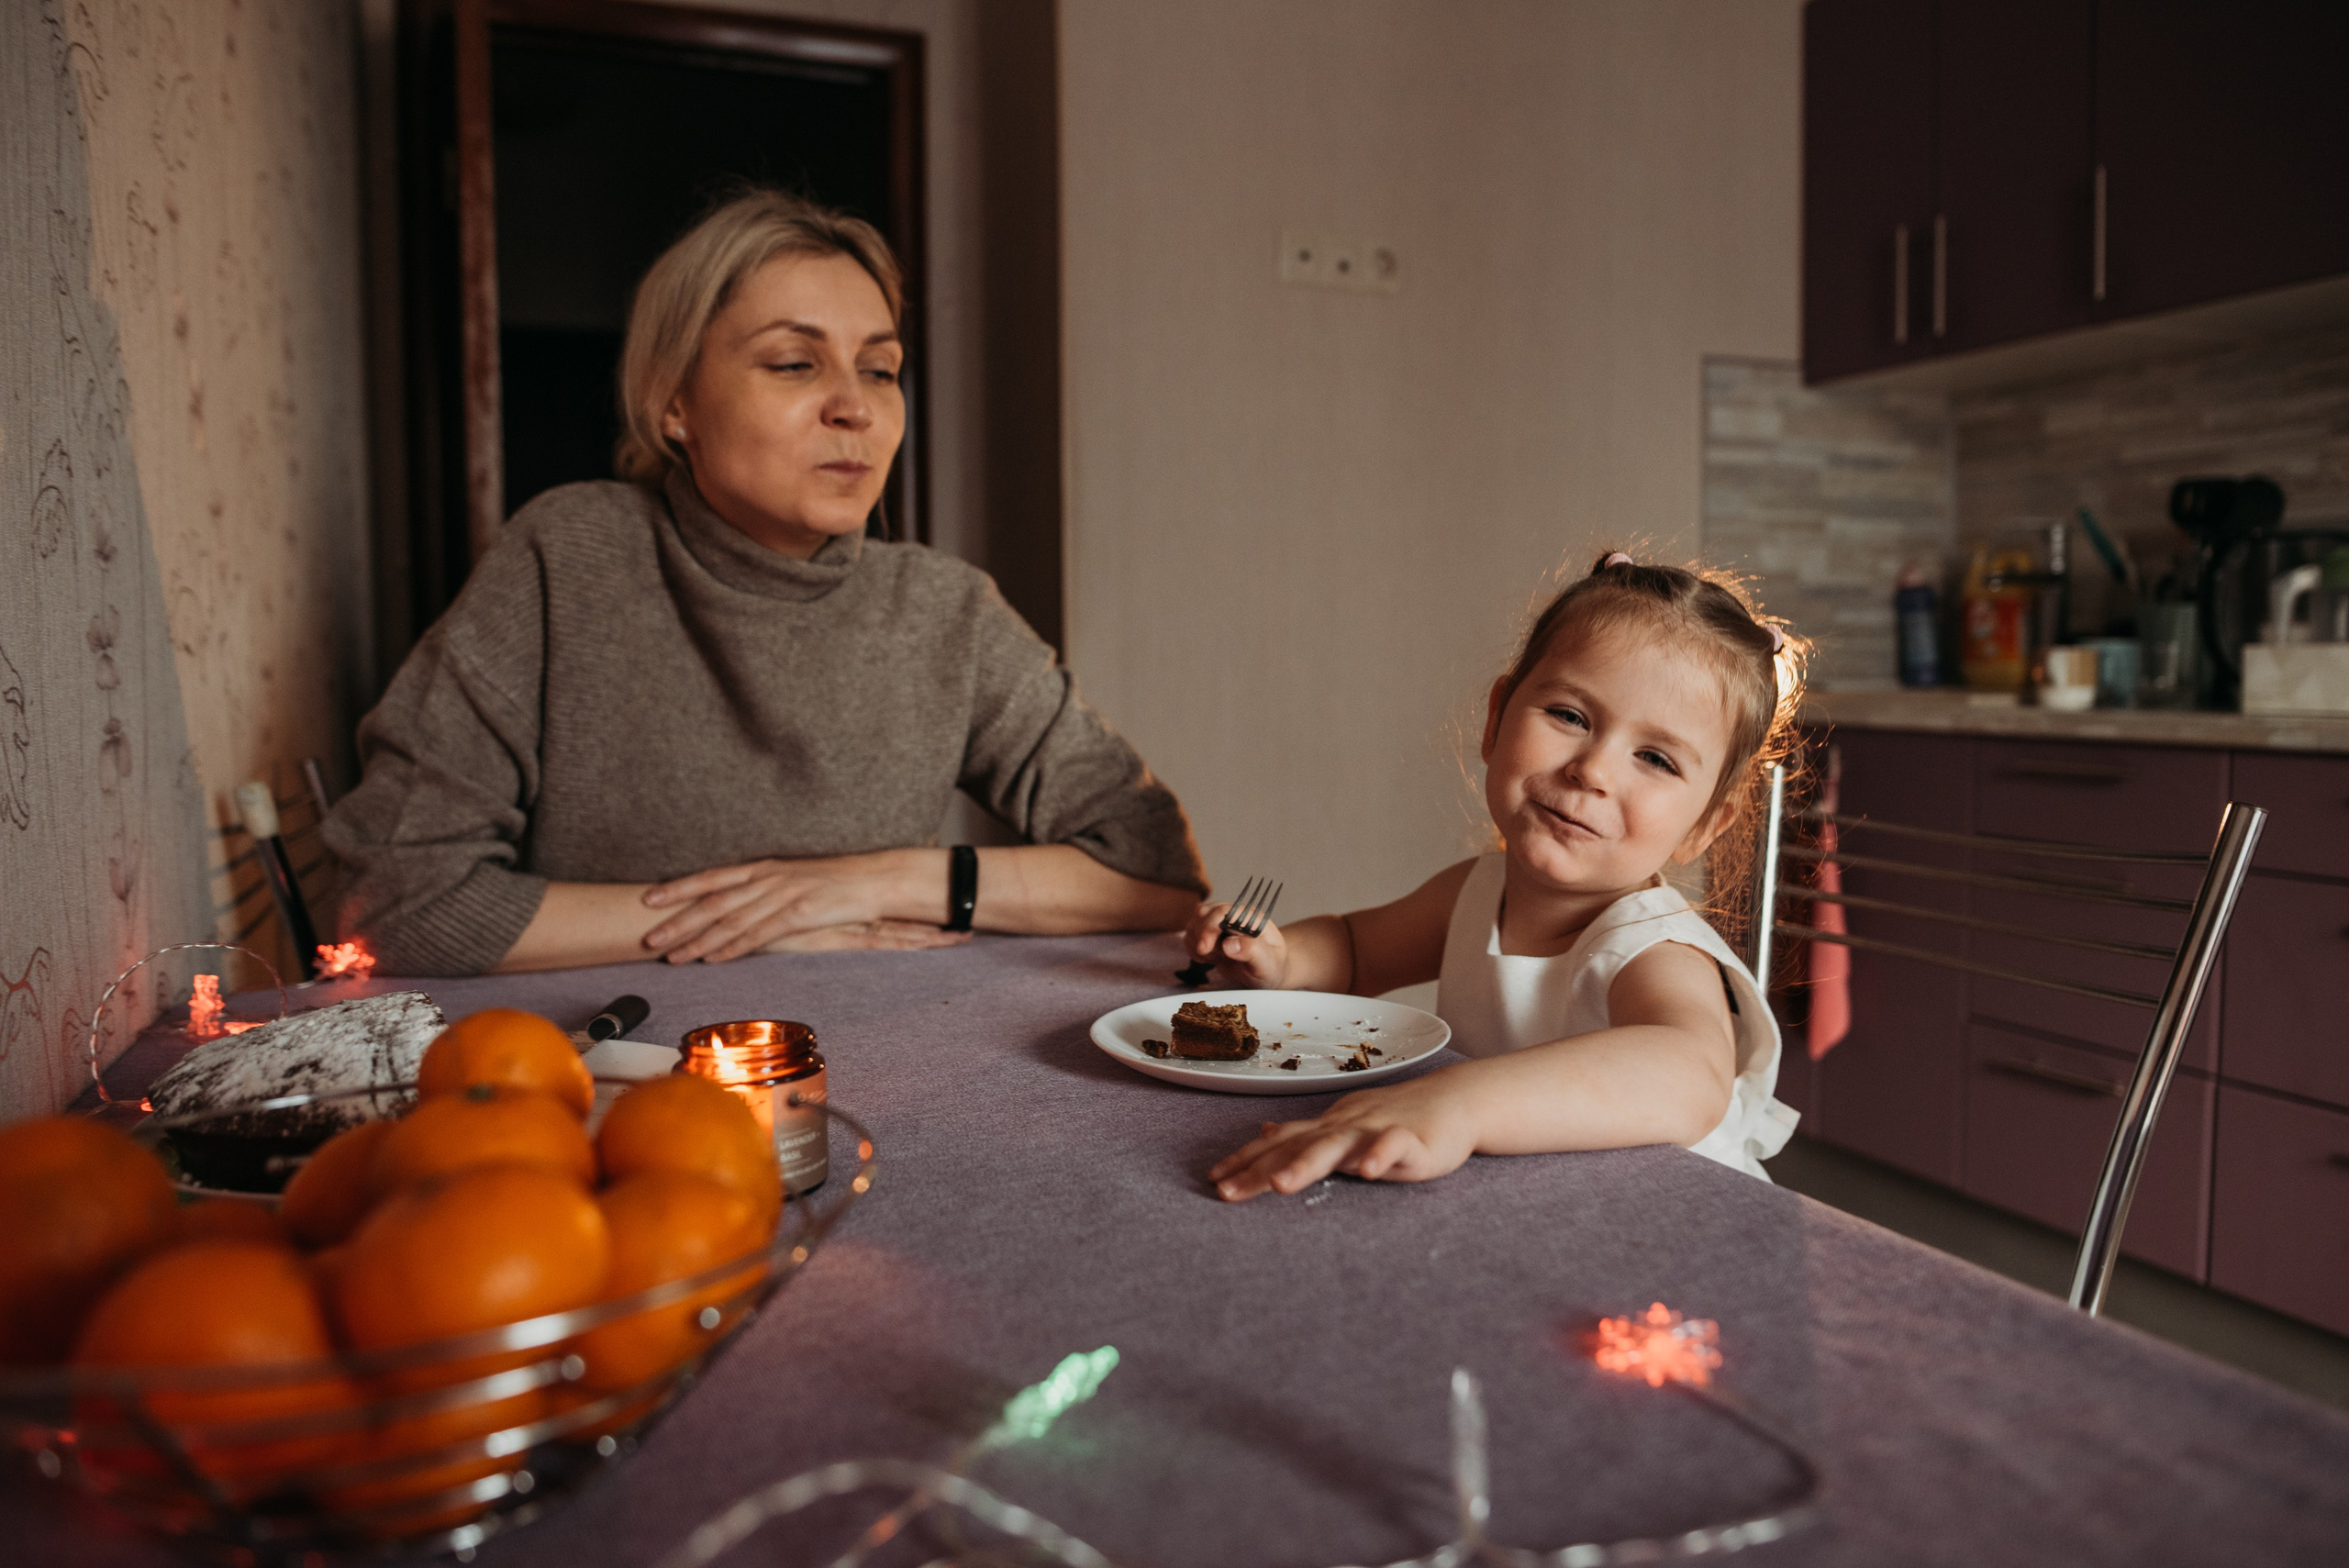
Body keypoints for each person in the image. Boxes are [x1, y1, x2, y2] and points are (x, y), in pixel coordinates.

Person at [328, 190, 1206, 976]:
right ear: (675, 402)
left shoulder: (948, 613)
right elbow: (396, 902)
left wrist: (869, 884)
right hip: (612, 1064)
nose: (854, 406)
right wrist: (759, 925)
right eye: (794, 363)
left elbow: (1156, 874)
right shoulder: (569, 556)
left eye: (880, 369)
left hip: (880, 1058)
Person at [1193, 552, 1805, 1197]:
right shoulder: (1474, 891)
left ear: (1705, 826)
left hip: (1676, 1222)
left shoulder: (1652, 947)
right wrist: (1279, 960)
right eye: (1570, 716)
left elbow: (1690, 1075)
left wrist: (1457, 1101)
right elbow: (1354, 948)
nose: (1592, 770)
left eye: (1654, 758)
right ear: (1496, 719)